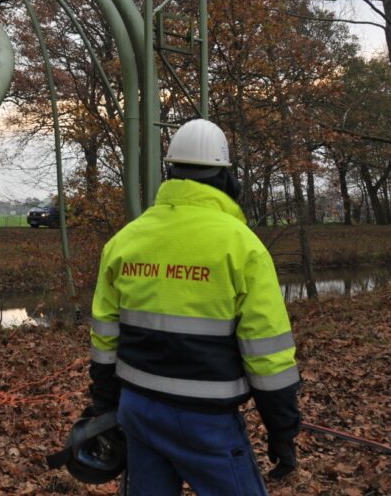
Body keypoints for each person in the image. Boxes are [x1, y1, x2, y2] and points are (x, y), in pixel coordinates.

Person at [87, 118, 300, 495]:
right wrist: (281, 429)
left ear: (171, 172)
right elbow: (269, 359)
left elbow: (104, 338)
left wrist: (104, 406)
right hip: (206, 421)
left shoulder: (124, 241)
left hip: (136, 410)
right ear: (225, 177)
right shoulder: (243, 246)